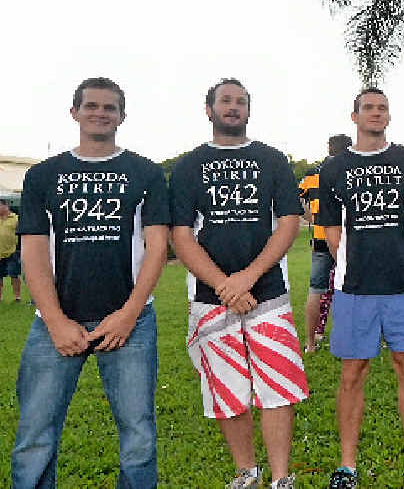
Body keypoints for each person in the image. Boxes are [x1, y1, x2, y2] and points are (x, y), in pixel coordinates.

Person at [11, 77, 168, 488]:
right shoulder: (43, 175)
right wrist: (55, 321)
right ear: (74, 111)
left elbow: (157, 248)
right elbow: (33, 251)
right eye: (92, 106)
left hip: (130, 322)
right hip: (57, 322)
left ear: (122, 116)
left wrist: (128, 315)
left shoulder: (146, 173)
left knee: (138, 437)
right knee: (34, 437)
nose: (100, 113)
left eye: (110, 107)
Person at [170, 78, 307, 488]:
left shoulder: (272, 159)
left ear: (250, 109)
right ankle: (247, 472)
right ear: (208, 109)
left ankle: (281, 477)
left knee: (278, 387)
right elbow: (181, 234)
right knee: (227, 391)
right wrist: (223, 284)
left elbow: (288, 222)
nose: (233, 107)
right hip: (210, 298)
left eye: (241, 101)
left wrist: (248, 277)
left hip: (268, 294)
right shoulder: (188, 165)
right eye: (225, 101)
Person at [318, 88, 404, 489]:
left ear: (389, 116)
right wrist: (357, 263)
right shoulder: (334, 168)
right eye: (368, 108)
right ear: (354, 116)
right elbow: (333, 231)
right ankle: (347, 465)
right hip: (354, 288)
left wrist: (396, 256)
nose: (375, 113)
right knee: (353, 373)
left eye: (382, 108)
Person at [298, 134, 352, 353]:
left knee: (316, 290)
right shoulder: (350, 171)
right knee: (352, 289)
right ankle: (349, 340)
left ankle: (310, 343)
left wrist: (311, 217)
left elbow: (295, 198)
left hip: (320, 238)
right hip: (348, 239)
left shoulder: (312, 175)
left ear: (329, 148)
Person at [0, 199, 21, 302]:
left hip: (12, 252)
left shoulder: (15, 218)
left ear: (5, 206)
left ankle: (17, 297)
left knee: (14, 275)